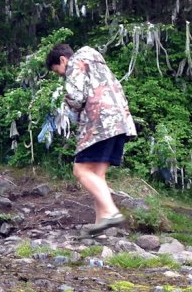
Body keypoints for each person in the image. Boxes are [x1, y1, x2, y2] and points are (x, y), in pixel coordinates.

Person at [46, 43, 137, 236]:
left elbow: (76, 97)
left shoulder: (75, 63)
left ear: (63, 59)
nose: (60, 75)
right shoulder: (96, 62)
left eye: (57, 71)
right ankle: (100, 226)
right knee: (97, 174)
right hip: (120, 121)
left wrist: (65, 105)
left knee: (80, 170)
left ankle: (111, 212)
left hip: (100, 123)